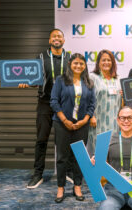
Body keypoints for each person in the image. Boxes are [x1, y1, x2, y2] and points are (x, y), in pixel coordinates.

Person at [18, 29, 72, 189]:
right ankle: (38, 175)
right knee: (41, 140)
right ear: (50, 40)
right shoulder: (40, 58)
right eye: (54, 36)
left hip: (64, 105)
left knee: (64, 141)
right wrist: (26, 82)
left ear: (64, 40)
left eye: (59, 36)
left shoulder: (69, 58)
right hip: (45, 103)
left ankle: (67, 172)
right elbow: (35, 79)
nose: (57, 38)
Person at [50, 53, 96, 203]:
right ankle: (60, 188)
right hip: (62, 124)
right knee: (62, 157)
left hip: (81, 125)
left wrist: (84, 121)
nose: (78, 66)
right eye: (75, 63)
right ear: (70, 64)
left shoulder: (88, 82)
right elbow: (54, 101)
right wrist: (64, 120)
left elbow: (92, 104)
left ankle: (77, 186)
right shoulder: (60, 80)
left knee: (79, 158)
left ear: (85, 66)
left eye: (81, 64)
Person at [95, 106, 132, 210]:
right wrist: (95, 163)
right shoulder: (107, 139)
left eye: (130, 118)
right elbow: (103, 165)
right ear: (118, 120)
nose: (126, 121)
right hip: (114, 189)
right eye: (123, 118)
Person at [87, 49, 122, 154]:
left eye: (109, 60)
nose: (106, 62)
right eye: (103, 60)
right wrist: (91, 116)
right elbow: (87, 98)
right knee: (97, 152)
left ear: (113, 63)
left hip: (114, 123)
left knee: (112, 151)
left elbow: (121, 102)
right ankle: (96, 171)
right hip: (97, 122)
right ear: (98, 62)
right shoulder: (92, 77)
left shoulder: (118, 79)